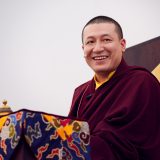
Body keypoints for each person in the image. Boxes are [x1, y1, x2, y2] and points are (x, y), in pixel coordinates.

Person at [68, 15, 160, 160]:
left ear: (122, 45)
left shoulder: (141, 82)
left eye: (106, 40)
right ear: (83, 49)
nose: (98, 48)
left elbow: (124, 142)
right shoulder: (80, 92)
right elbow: (69, 136)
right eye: (90, 42)